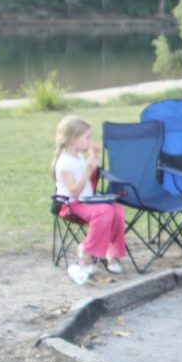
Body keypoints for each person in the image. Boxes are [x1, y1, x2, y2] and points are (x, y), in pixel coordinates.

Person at [52, 115, 128, 285]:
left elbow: (88, 182)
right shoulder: (64, 163)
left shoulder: (78, 157)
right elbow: (75, 192)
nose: (90, 141)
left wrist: (93, 158)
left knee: (117, 209)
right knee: (104, 211)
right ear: (73, 140)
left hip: (87, 201)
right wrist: (87, 170)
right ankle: (86, 252)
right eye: (87, 138)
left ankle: (112, 253)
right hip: (70, 204)